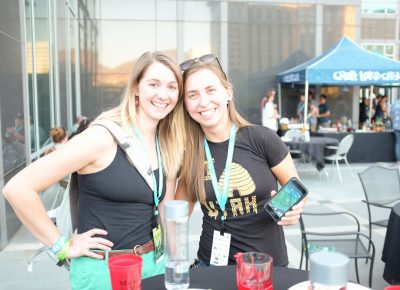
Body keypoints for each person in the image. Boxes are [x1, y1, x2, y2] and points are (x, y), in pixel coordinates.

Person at [2, 51, 185, 289]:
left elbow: (164, 208)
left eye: (172, 87)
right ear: (136, 88)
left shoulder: (166, 142)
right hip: (103, 272)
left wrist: (176, 263)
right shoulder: (102, 136)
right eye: (154, 84)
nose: (163, 94)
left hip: (155, 266)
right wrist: (62, 247)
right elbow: (17, 188)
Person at [176, 54, 304, 267]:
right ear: (186, 104)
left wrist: (292, 209)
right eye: (193, 95)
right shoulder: (189, 154)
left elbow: (296, 188)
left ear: (228, 93)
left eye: (210, 90)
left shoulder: (262, 138)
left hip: (266, 267)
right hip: (211, 267)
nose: (203, 102)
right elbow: (176, 216)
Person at [390, 98, 400, 164]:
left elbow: (390, 115)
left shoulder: (394, 103)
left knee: (398, 143)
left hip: (396, 126)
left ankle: (398, 160)